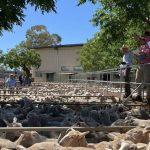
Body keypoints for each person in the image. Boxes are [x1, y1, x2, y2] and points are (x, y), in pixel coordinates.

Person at [133, 31, 150, 103]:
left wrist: (138, 37)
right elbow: (136, 54)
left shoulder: (149, 43)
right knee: (137, 79)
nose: (144, 37)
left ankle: (148, 97)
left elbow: (143, 40)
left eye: (145, 36)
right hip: (140, 65)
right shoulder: (141, 46)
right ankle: (138, 95)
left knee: (147, 81)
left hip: (147, 65)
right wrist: (137, 56)